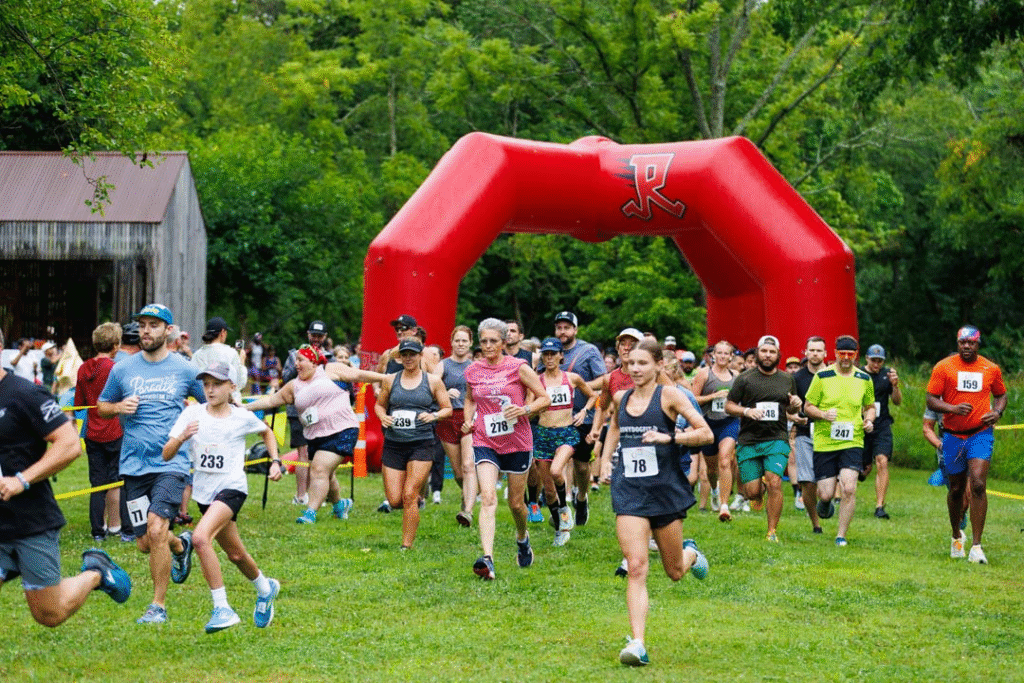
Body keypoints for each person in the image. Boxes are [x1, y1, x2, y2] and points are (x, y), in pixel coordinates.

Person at [0, 326, 132, 627]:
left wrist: (21, 480)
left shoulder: (24, 394)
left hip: (29, 521)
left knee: (51, 614)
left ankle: (96, 572)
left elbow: (70, 443)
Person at [598, 339, 712, 666]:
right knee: (636, 565)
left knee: (674, 571)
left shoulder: (672, 396)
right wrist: (606, 460)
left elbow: (705, 434)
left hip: (665, 489)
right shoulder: (621, 398)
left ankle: (691, 555)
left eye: (642, 363)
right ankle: (638, 643)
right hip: (629, 489)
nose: (635, 369)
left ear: (659, 365)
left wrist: (672, 437)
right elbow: (615, 429)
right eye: (631, 363)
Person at [97, 303, 205, 624]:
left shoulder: (184, 368)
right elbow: (101, 406)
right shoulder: (122, 369)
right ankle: (180, 546)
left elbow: (209, 398)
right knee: (146, 542)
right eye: (142, 325)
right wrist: (117, 406)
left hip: (171, 463)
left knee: (157, 527)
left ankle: (157, 606)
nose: (146, 330)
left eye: (154, 325)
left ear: (168, 331)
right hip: (133, 465)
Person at [163, 362, 283, 633]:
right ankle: (265, 589)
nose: (210, 389)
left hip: (232, 488)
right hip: (205, 494)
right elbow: (166, 454)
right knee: (236, 554)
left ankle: (222, 608)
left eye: (216, 384)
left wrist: (275, 461)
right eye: (206, 384)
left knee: (200, 538)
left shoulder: (240, 417)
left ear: (232, 387)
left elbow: (266, 431)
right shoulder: (192, 414)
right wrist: (181, 437)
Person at [247, 344, 386, 524]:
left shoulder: (330, 370)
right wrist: (244, 407)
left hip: (343, 430)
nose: (296, 364)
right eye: (296, 360)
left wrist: (387, 378)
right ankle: (339, 505)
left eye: (301, 360)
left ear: (313, 362)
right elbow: (272, 400)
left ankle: (310, 513)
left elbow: (359, 375)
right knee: (327, 474)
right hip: (316, 436)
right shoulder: (293, 386)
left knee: (319, 470)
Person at [461, 318, 551, 580]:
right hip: (485, 439)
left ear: (503, 342)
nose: (488, 346)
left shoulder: (519, 367)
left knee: (515, 504)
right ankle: (487, 559)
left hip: (517, 442)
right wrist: (469, 418)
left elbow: (544, 398)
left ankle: (522, 537)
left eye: (493, 341)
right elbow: (469, 399)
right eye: (484, 341)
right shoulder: (473, 371)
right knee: (487, 497)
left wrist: (524, 409)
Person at [925, 325, 1006, 564]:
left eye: (971, 343)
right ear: (958, 344)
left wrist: (997, 412)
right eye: (963, 343)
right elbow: (930, 399)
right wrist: (952, 408)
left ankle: (977, 546)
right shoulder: (944, 367)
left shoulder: (990, 368)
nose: (967, 346)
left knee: (979, 484)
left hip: (980, 433)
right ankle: (956, 535)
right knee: (957, 489)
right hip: (952, 434)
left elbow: (1001, 394)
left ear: (978, 344)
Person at [375, 339, 453, 549]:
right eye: (405, 354)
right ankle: (417, 498)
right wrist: (383, 417)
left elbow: (448, 408)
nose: (409, 358)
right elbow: (380, 405)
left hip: (421, 443)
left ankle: (406, 545)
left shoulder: (433, 381)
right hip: (394, 443)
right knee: (394, 500)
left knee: (409, 495)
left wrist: (434, 415)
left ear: (420, 356)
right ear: (400, 357)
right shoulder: (391, 380)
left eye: (413, 354)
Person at [724, 335, 802, 541]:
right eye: (764, 351)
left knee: (775, 482)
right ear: (758, 353)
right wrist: (746, 411)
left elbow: (791, 407)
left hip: (776, 437)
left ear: (778, 355)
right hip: (749, 439)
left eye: (772, 352)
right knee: (752, 492)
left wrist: (796, 404)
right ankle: (757, 494)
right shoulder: (745, 378)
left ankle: (771, 532)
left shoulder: (787, 379)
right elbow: (728, 405)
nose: (768, 355)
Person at [803, 335, 875, 547]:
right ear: (835, 354)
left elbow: (870, 406)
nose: (845, 358)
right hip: (825, 441)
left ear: (855, 355)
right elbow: (808, 407)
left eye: (849, 355)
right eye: (841, 354)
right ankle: (824, 504)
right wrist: (823, 414)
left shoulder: (864, 379)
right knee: (825, 493)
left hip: (853, 440)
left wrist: (869, 420)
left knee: (849, 487)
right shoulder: (822, 376)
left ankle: (841, 535)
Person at [534, 337, 598, 546]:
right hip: (543, 435)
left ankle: (564, 509)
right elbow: (528, 406)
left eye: (554, 354)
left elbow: (592, 396)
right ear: (542, 356)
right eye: (546, 354)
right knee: (549, 489)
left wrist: (584, 411)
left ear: (561, 355)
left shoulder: (572, 378)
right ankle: (561, 528)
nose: (550, 358)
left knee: (556, 471)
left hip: (566, 433)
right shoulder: (537, 381)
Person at [76, 322, 131, 542]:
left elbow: (79, 403)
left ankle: (98, 531)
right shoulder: (115, 368)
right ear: (116, 345)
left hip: (92, 432)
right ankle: (126, 530)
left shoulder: (82, 368)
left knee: (97, 484)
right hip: (115, 430)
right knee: (120, 480)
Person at [552, 310, 605, 527]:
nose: (562, 332)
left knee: (582, 466)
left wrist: (578, 385)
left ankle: (581, 498)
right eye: (559, 328)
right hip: (556, 418)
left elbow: (603, 380)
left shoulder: (588, 351)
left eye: (566, 327)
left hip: (583, 416)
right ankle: (562, 507)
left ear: (575, 330)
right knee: (557, 465)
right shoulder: (550, 351)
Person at [281, 320, 331, 506]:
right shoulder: (294, 355)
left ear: (325, 337)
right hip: (298, 410)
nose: (316, 339)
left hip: (321, 409)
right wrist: (297, 365)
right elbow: (285, 379)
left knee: (319, 453)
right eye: (313, 335)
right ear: (308, 334)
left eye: (320, 336)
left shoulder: (329, 357)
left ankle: (318, 494)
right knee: (303, 452)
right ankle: (301, 495)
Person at [431, 326, 477, 527]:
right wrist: (444, 393)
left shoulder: (475, 366)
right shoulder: (443, 366)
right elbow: (429, 388)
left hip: (469, 419)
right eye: (457, 341)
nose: (460, 344)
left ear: (470, 343)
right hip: (448, 419)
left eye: (464, 341)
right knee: (459, 473)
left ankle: (468, 511)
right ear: (451, 343)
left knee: (468, 466)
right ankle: (467, 494)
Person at [691, 340, 740, 521]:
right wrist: (713, 396)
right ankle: (714, 489)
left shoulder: (736, 376)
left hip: (729, 421)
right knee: (711, 469)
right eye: (719, 353)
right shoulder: (704, 374)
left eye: (726, 353)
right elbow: (692, 399)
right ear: (713, 355)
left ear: (731, 356)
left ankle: (724, 505)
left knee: (725, 460)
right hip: (708, 422)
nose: (722, 356)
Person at [860, 344, 902, 519]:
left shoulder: (887, 375)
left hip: (882, 424)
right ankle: (840, 493)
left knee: (882, 461)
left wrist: (895, 386)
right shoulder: (859, 374)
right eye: (873, 360)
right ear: (867, 359)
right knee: (863, 469)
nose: (876, 364)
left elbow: (897, 401)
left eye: (880, 361)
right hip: (861, 424)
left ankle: (879, 506)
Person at [792, 337, 827, 533]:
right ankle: (816, 523)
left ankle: (826, 500)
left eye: (818, 350)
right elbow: (788, 407)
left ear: (825, 354)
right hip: (804, 432)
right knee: (807, 480)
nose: (814, 354)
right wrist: (795, 417)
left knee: (826, 483)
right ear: (805, 353)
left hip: (829, 433)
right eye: (811, 350)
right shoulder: (797, 378)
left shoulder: (833, 374)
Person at [191, 317, 247, 406]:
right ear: (223, 333)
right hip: (229, 405)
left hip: (205, 404)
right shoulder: (232, 353)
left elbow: (194, 383)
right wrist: (242, 362)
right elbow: (239, 383)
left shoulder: (197, 354)